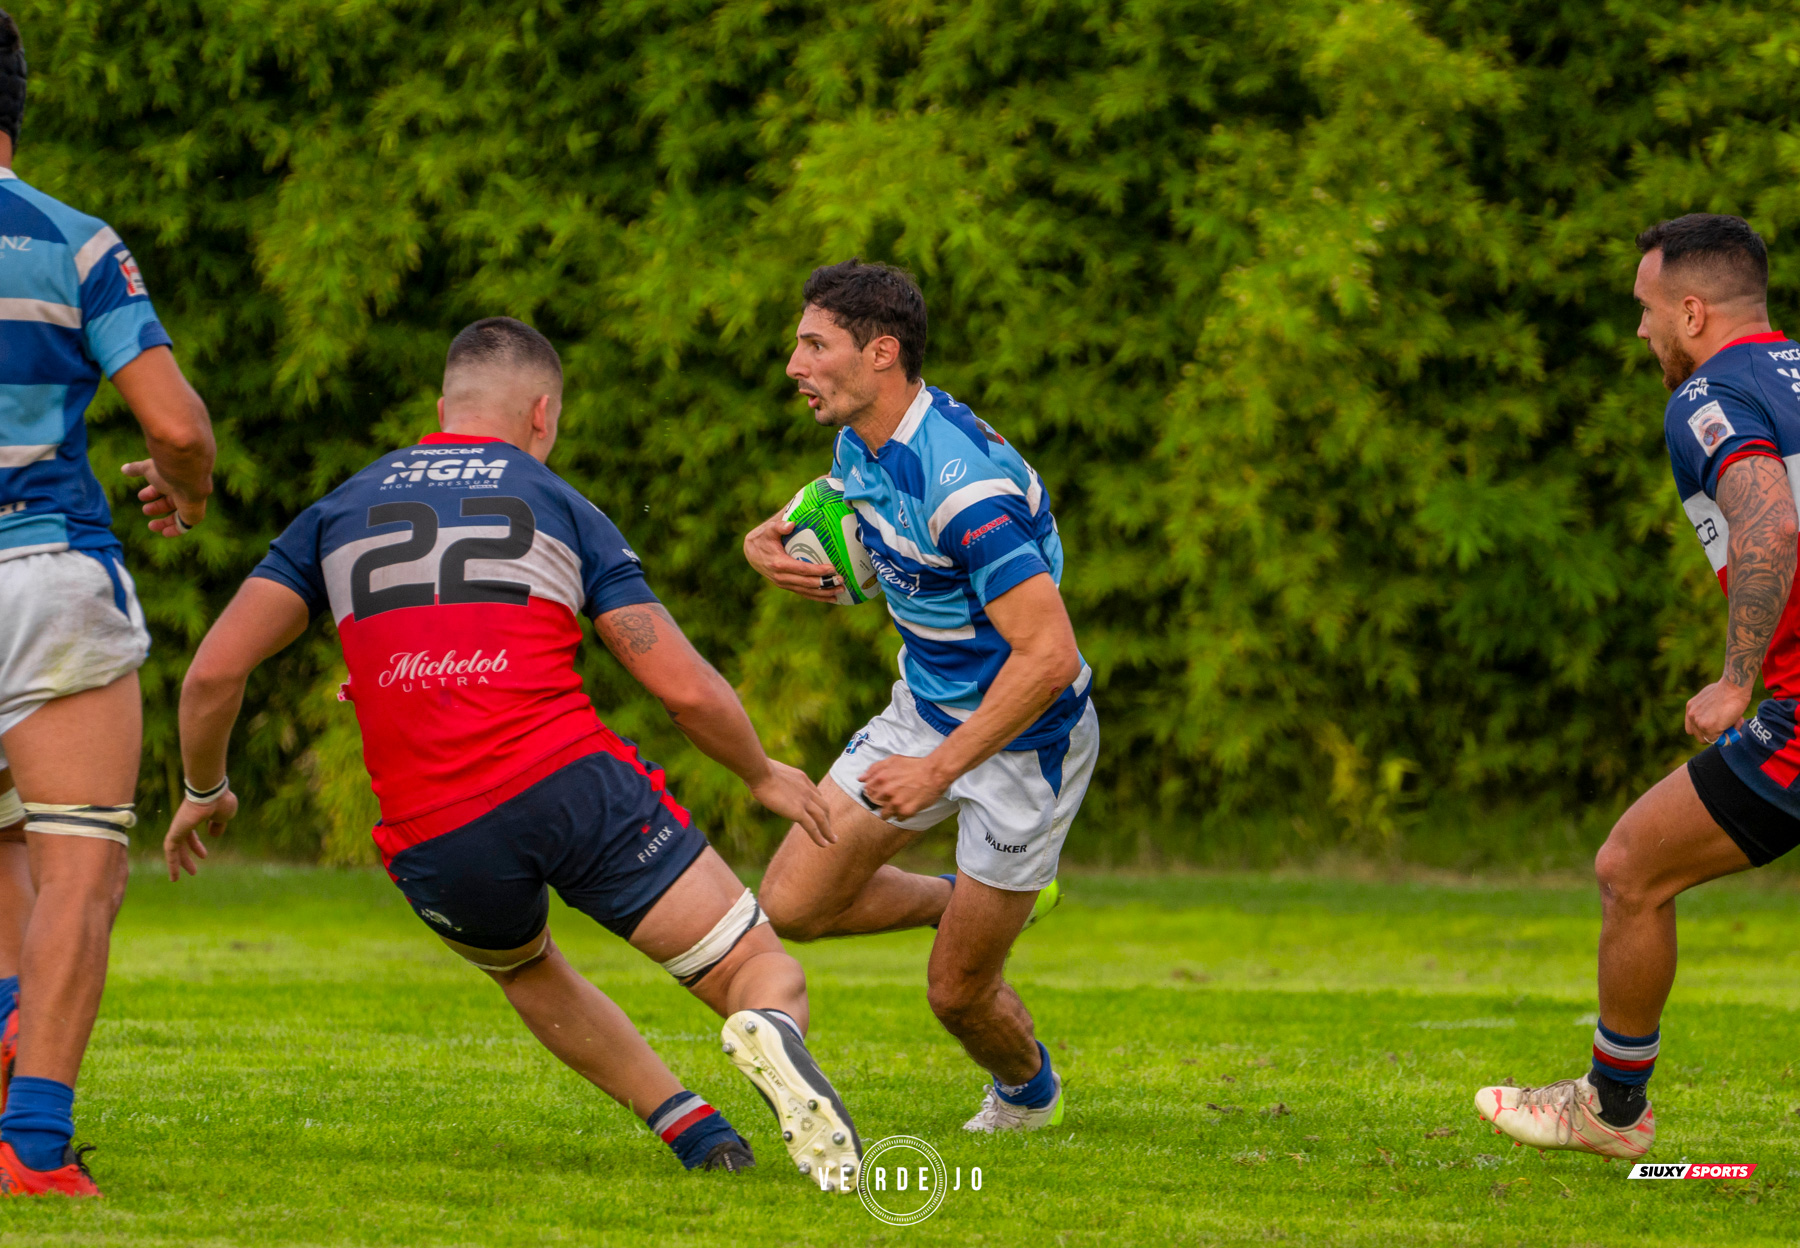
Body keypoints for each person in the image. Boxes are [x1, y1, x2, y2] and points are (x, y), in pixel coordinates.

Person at [168, 317, 862, 1190]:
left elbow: (211, 674)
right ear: (543, 413)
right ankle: (766, 1026)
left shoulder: (337, 510)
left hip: (433, 829)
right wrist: (761, 773)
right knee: (759, 965)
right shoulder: (556, 501)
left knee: (525, 965)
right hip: (567, 781)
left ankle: (694, 1133)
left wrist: (206, 788)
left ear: (441, 410)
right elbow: (681, 687)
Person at [744, 260, 1097, 1132]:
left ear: (881, 354)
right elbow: (839, 501)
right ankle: (968, 900)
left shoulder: (966, 491)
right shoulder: (863, 436)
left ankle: (1028, 1096)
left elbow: (1049, 655)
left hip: (1026, 744)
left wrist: (938, 768)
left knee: (957, 992)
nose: (795, 364)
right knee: (791, 904)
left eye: (814, 345)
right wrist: (771, 539)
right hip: (923, 712)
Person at [1478, 214, 1800, 1159]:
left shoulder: (1710, 394)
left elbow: (1770, 527)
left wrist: (1739, 679)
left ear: (1693, 311)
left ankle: (1611, 1109)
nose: (1641, 332)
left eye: (1647, 310)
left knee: (1631, 868)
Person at [0, 10, 218, 1198]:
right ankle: (32, 1151)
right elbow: (177, 424)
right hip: (43, 577)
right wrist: (179, 494)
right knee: (76, 869)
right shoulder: (73, 243)